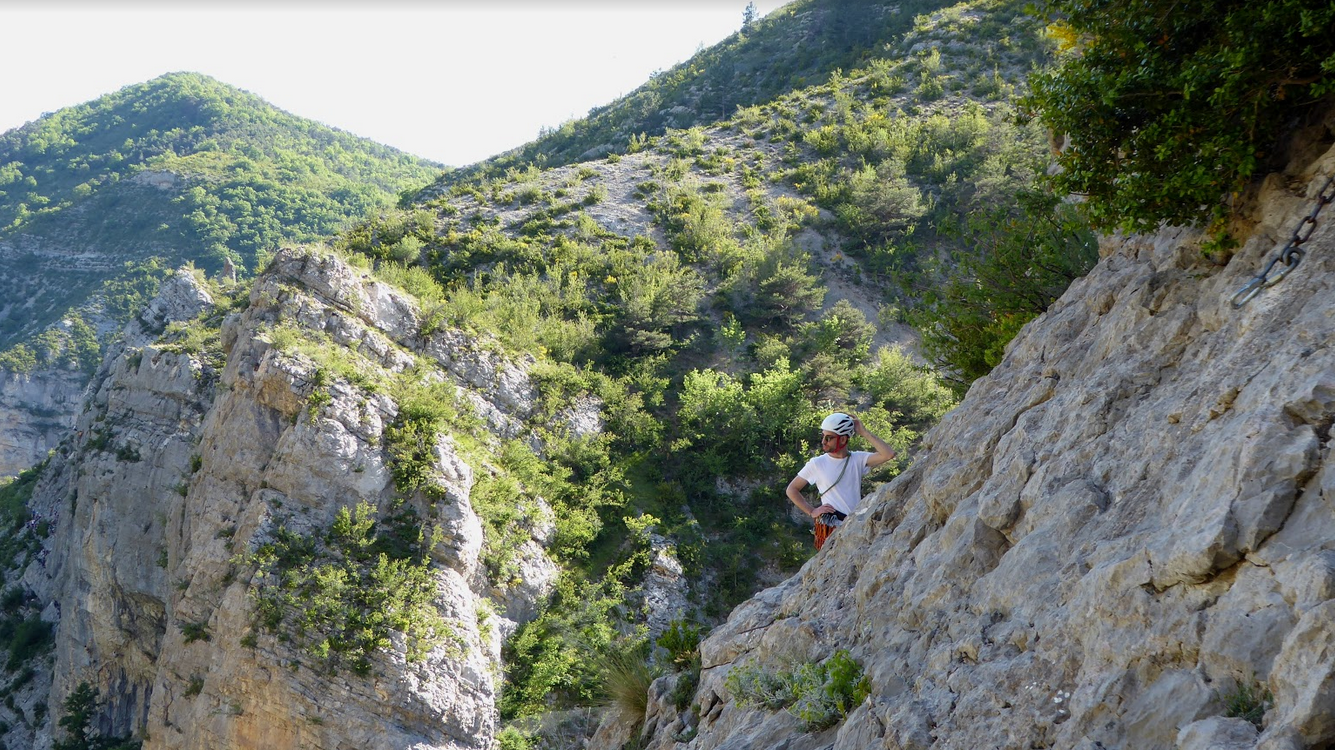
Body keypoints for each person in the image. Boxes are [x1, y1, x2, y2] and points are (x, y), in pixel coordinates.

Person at [785, 412, 896, 550]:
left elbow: (888, 454)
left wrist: (864, 432)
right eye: (823, 436)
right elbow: (791, 489)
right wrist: (812, 511)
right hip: (830, 528)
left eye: (829, 438)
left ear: (843, 440)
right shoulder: (817, 463)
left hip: (854, 525)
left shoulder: (857, 459)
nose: (823, 441)